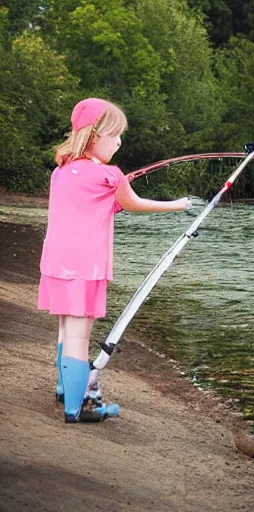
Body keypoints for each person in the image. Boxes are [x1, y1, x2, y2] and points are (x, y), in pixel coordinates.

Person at [38, 97, 191, 423]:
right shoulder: (110, 175)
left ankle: (66, 390)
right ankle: (78, 408)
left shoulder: (61, 171)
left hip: (55, 264)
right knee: (79, 335)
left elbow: (89, 205)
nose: (120, 141)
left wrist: (113, 195)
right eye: (115, 134)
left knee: (66, 328)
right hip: (85, 267)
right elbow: (134, 203)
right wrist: (178, 205)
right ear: (95, 136)